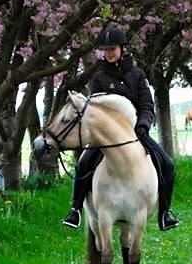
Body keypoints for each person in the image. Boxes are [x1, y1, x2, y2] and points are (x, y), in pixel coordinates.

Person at [62, 27, 180, 231]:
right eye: (105, 49)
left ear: (122, 48)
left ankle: (165, 213)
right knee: (83, 164)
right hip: (106, 138)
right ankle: (75, 210)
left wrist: (143, 125)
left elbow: (147, 105)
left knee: (167, 165)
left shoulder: (137, 75)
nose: (109, 53)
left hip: (137, 134)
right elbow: (94, 110)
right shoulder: (98, 78)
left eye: (112, 48)